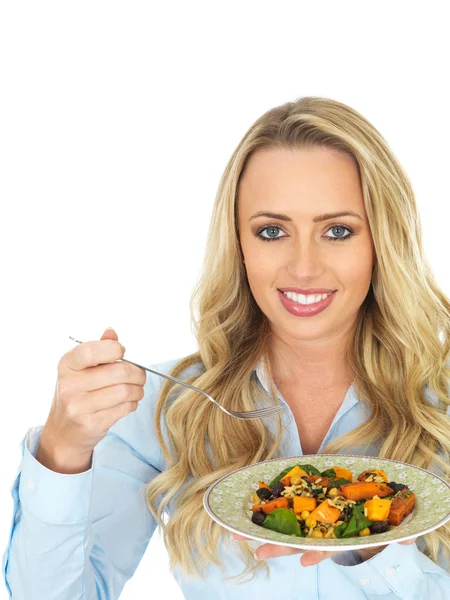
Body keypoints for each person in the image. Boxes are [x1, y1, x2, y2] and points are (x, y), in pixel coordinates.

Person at [3, 96, 450, 599]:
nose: (303, 267)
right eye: (272, 231)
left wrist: (371, 542)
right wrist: (62, 450)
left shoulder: (442, 407)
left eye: (338, 230)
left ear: (382, 242)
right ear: (238, 244)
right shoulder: (165, 407)